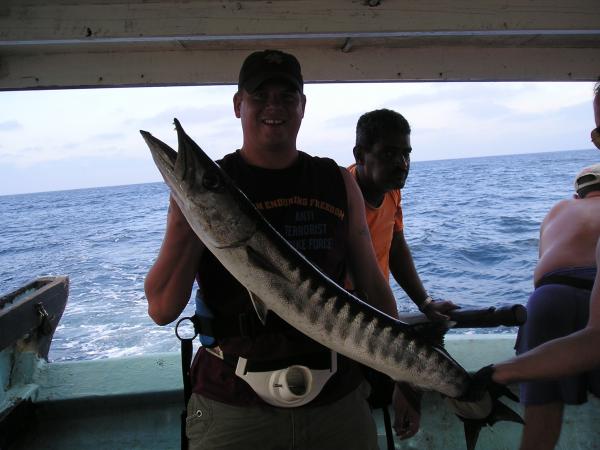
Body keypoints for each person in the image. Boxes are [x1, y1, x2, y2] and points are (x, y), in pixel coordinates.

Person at [145, 49, 401, 450]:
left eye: (286, 96)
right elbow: (162, 309)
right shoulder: (213, 184)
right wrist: (187, 216)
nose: (274, 106)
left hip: (338, 399)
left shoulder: (337, 180)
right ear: (238, 105)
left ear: (302, 106)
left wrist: (401, 377)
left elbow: (373, 284)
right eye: (259, 95)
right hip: (232, 403)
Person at [348, 108, 459, 439]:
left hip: (381, 315)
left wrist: (425, 303)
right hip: (349, 324)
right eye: (389, 153)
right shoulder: (341, 195)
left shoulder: (392, 189)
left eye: (406, 153)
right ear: (360, 155)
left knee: (432, 331)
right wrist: (401, 375)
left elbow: (396, 246)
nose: (402, 163)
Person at [491, 162, 600, 450]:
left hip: (550, 295)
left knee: (541, 414)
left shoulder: (560, 209)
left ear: (578, 195)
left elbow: (541, 265)